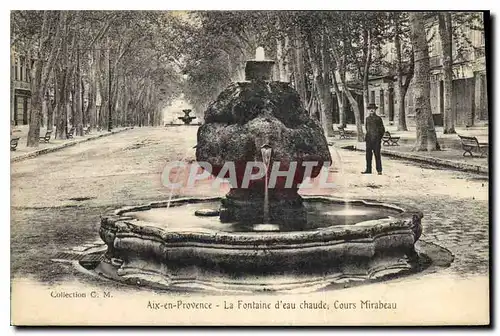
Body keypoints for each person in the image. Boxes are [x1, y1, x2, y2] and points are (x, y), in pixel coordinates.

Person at [362, 103, 385, 175]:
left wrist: (378, 137)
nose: (371, 110)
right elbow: (366, 128)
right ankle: (368, 169)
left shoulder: (378, 119)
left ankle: (379, 170)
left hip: (376, 140)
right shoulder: (367, 119)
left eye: (373, 109)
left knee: (377, 155)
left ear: (375, 110)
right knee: (368, 155)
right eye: (370, 109)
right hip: (369, 140)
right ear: (368, 110)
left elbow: (382, 129)